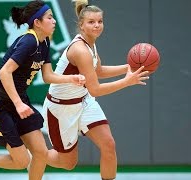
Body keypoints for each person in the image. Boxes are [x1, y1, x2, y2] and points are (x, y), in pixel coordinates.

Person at [0, 1, 86, 180]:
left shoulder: (44, 42)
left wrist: (71, 78)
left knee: (41, 152)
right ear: (37, 23)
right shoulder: (28, 40)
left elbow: (48, 76)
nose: (54, 21)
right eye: (49, 17)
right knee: (22, 161)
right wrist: (18, 104)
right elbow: (4, 72)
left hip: (18, 100)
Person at [42, 0, 150, 180]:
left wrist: (129, 66)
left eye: (100, 21)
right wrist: (127, 81)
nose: (97, 25)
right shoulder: (80, 50)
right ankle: (30, 155)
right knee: (68, 163)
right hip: (61, 109)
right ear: (81, 25)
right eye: (91, 22)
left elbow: (98, 71)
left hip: (83, 101)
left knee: (108, 145)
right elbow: (96, 89)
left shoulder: (90, 43)